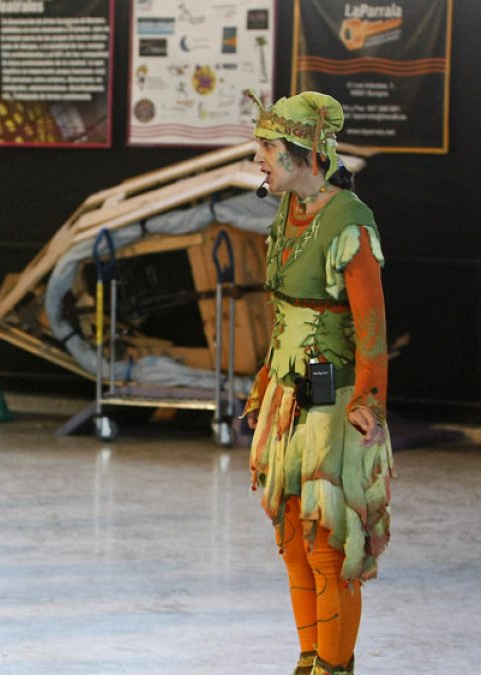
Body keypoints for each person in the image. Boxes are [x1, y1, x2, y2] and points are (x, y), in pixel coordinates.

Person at [242, 91, 393, 675]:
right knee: (291, 537)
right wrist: (263, 384)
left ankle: (335, 666)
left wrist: (370, 402)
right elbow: (283, 315)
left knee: (329, 545)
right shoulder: (288, 212)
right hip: (287, 394)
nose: (258, 159)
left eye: (267, 148)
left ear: (303, 153)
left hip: (335, 406)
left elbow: (371, 326)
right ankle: (309, 658)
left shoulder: (349, 223)